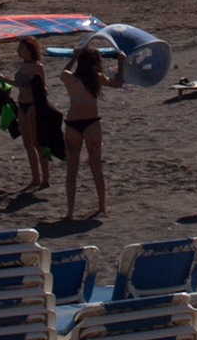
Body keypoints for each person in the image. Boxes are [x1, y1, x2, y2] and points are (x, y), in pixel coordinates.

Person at [60, 40, 123, 219]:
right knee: (96, 167)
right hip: (92, 123)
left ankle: (70, 211)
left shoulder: (71, 79)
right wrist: (122, 62)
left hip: (73, 123)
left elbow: (62, 73)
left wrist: (73, 58)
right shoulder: (97, 78)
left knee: (71, 171)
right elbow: (118, 83)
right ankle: (102, 206)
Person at [13, 37, 54, 192]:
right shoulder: (21, 65)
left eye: (21, 48)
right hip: (21, 103)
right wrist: (4, 80)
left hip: (33, 105)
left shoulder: (38, 67)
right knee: (27, 143)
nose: (19, 51)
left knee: (38, 142)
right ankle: (35, 177)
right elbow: (18, 84)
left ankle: (46, 178)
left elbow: (43, 88)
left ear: (29, 50)